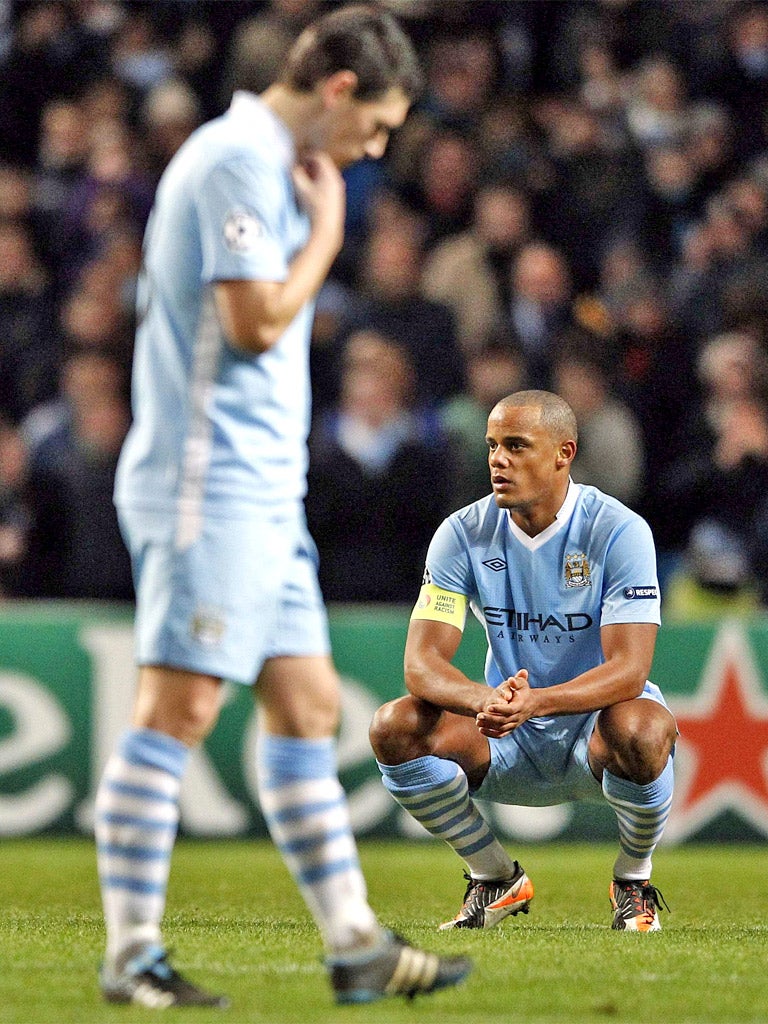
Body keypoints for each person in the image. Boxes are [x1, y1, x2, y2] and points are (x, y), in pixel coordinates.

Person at [95, 5, 470, 1010]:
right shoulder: (233, 161)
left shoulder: (265, 166)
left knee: (305, 706)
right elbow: (254, 324)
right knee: (178, 709)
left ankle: (353, 942)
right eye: (380, 125)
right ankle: (130, 953)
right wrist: (334, 231)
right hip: (204, 484)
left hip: (262, 490)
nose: (376, 147)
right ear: (341, 90)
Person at [370, 390, 677, 934]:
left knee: (646, 728)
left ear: (564, 453)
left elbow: (630, 669)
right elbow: (421, 665)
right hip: (505, 732)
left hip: (594, 729)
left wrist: (540, 701)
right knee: (394, 726)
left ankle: (632, 879)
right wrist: (481, 699)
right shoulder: (461, 533)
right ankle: (493, 876)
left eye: (516, 445)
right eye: (492, 446)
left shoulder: (618, 530)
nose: (497, 459)